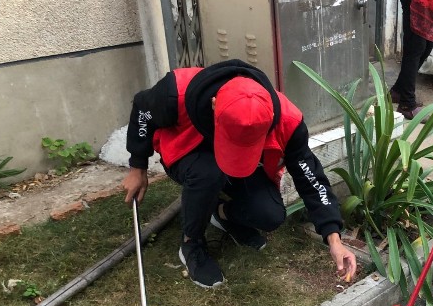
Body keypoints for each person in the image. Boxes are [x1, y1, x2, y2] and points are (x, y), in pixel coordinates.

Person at [122, 59, 357, 289]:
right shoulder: (177, 92)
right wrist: (138, 166)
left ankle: (221, 214)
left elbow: (311, 178)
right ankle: (191, 243)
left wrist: (334, 239)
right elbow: (143, 108)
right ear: (214, 105)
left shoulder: (287, 120)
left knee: (269, 214)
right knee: (209, 172)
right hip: (186, 152)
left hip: (234, 164)